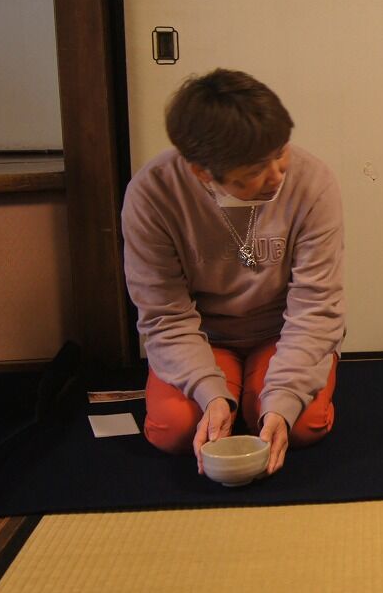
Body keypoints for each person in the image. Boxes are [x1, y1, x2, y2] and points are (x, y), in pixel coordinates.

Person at [122, 69, 345, 476]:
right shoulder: (153, 194)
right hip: (203, 338)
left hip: (281, 333)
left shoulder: (314, 182)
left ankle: (261, 393)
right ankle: (232, 393)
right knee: (174, 430)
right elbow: (164, 315)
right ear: (202, 172)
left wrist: (282, 401)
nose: (278, 175)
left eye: (281, 152)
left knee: (302, 425)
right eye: (254, 171)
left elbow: (317, 308)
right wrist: (210, 394)